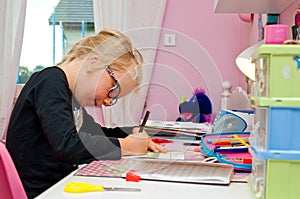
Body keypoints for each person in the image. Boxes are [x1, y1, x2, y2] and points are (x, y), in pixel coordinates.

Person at [6, 29, 167, 199]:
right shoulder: (50, 81)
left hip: (61, 186)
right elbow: (69, 145)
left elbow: (94, 133)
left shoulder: (69, 95)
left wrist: (132, 132)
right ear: (93, 62)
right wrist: (126, 146)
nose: (107, 101)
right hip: (40, 192)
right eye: (113, 90)